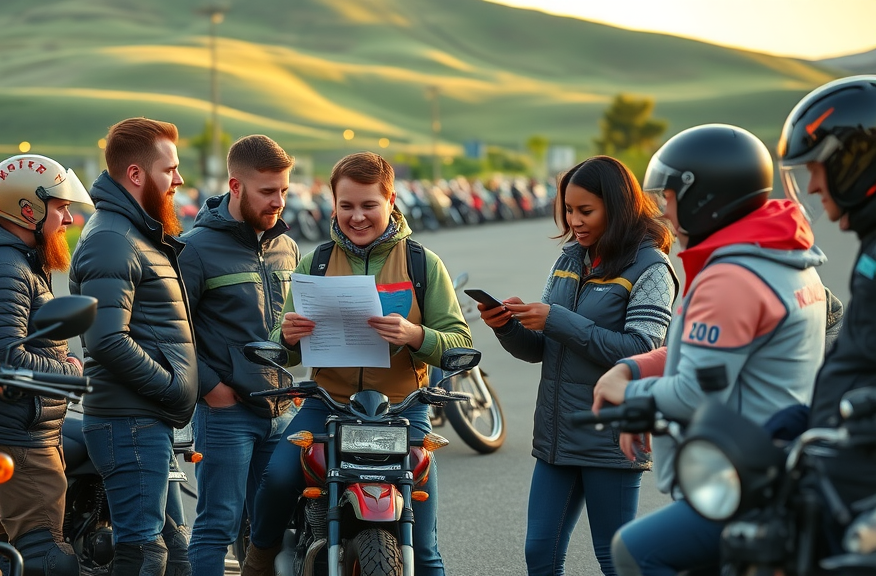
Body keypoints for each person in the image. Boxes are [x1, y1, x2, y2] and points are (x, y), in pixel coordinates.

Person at [592, 124, 829, 576]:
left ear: (702, 198)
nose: (664, 211)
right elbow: (709, 355)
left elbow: (694, 393)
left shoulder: (731, 279)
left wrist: (629, 398)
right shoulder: (782, 260)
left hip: (742, 474)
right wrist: (632, 367)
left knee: (635, 551)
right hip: (778, 462)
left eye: (670, 197)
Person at [241, 151, 472, 576]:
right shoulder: (316, 264)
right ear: (333, 203)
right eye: (346, 205)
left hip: (403, 408)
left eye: (369, 205)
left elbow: (459, 340)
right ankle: (257, 561)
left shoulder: (424, 264)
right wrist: (287, 337)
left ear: (391, 200)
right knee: (276, 479)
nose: (358, 216)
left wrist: (416, 335)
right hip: (327, 403)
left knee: (425, 546)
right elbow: (283, 349)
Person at [476, 155, 676, 576]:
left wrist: (557, 319)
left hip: (610, 439)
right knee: (539, 555)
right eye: (569, 209)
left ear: (618, 207)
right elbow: (539, 349)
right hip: (556, 438)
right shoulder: (569, 260)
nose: (575, 221)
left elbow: (641, 351)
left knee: (616, 559)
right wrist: (507, 327)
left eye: (586, 211)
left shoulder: (652, 268)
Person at [0, 154, 92, 576]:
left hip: (7, 425)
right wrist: (71, 372)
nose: (68, 219)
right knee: (48, 559)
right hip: (16, 433)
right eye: (61, 208)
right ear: (28, 210)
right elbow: (6, 356)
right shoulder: (3, 266)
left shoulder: (14, 258)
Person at [69, 117, 198, 576]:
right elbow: (106, 338)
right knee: (143, 553)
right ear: (137, 175)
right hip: (131, 420)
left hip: (146, 420)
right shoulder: (111, 239)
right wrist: (168, 386)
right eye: (171, 170)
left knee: (174, 553)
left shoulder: (135, 231)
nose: (179, 180)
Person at [177, 134, 298, 576]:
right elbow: (174, 334)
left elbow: (290, 325)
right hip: (226, 413)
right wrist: (212, 389)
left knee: (275, 527)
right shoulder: (194, 249)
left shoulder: (287, 246)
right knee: (218, 525)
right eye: (268, 191)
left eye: (284, 190)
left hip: (281, 408)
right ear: (235, 186)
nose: (278, 201)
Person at [778, 75, 876, 556]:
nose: (812, 185)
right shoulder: (872, 252)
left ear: (859, 161)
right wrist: (796, 418)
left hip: (856, 482)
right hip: (838, 467)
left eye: (819, 167)